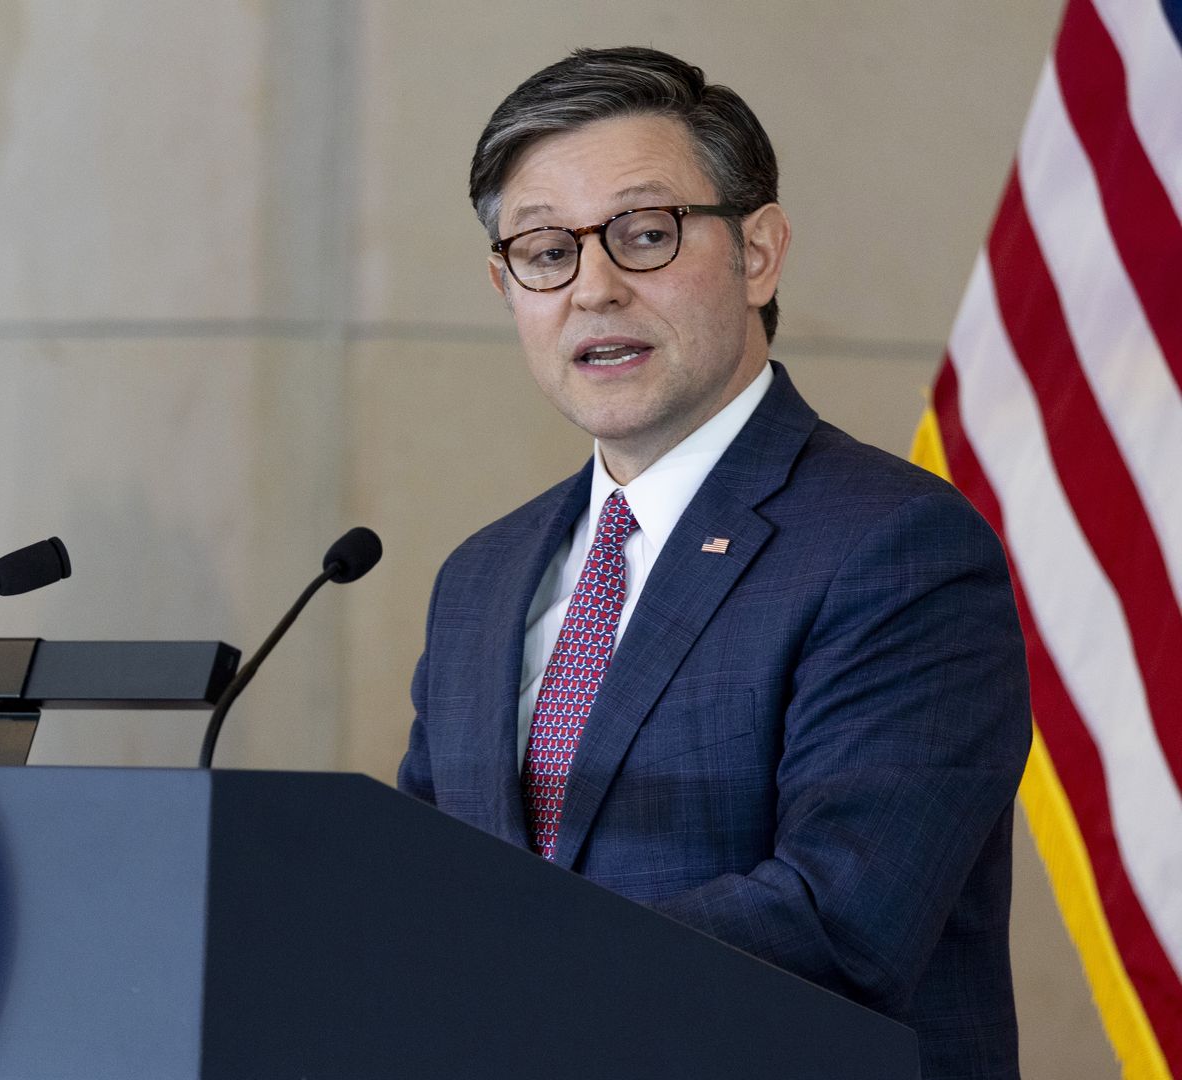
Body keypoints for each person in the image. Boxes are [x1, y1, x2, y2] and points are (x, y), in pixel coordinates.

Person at [397, 46, 1031, 1080]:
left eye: (645, 236)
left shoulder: (899, 546)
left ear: (760, 252)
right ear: (506, 284)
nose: (594, 289)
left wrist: (507, 978)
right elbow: (418, 888)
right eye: (545, 251)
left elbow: (842, 923)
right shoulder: (482, 577)